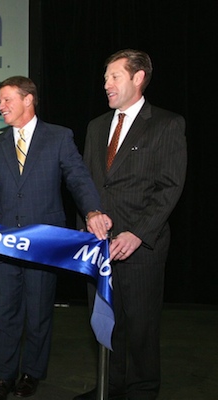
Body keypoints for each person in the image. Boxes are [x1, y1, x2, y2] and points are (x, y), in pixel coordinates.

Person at [0, 76, 111, 400]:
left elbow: (77, 177)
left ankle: (31, 373)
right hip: (4, 242)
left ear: (28, 100)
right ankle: (3, 376)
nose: (0, 106)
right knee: (6, 311)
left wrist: (91, 211)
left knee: (38, 310)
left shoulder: (58, 137)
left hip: (44, 243)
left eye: (7, 99)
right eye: (0, 100)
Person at [73, 49, 187, 400]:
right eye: (105, 77)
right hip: (99, 247)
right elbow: (88, 182)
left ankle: (141, 390)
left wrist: (138, 233)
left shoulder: (167, 124)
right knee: (107, 324)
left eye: (114, 77)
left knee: (140, 328)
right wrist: (88, 217)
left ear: (138, 78)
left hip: (140, 249)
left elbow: (170, 187)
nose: (105, 84)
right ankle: (111, 387)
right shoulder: (96, 127)